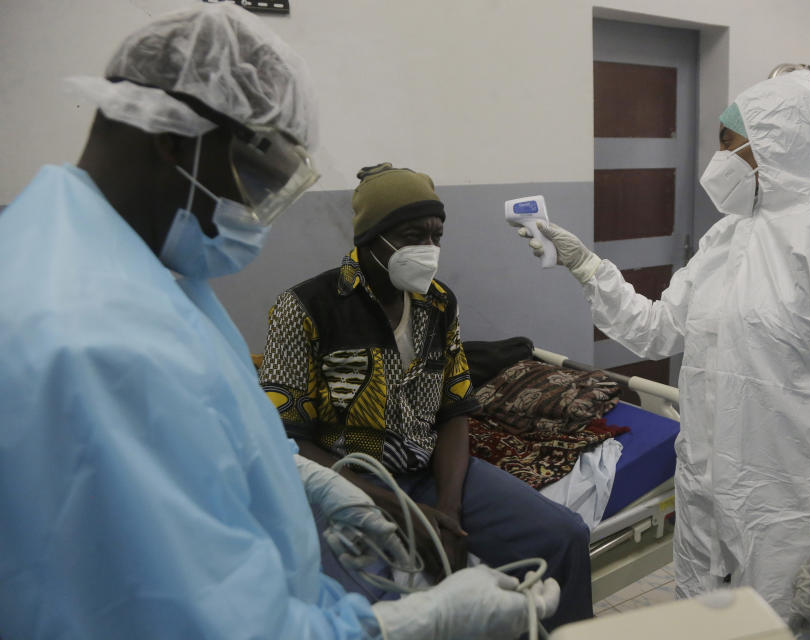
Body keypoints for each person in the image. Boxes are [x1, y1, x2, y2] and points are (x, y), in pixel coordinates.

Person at [0, 6, 557, 640]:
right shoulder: (96, 341)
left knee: (553, 534)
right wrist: (427, 620)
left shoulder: (148, 274)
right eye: (261, 176)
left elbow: (228, 437)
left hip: (373, 503)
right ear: (173, 140)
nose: (259, 211)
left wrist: (325, 491)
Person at [517, 71, 810, 639]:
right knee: (706, 625)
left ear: (776, 141)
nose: (717, 157)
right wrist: (586, 266)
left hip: (793, 515)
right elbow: (657, 329)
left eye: (725, 141)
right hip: (706, 495)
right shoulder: (728, 239)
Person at [258, 162, 594, 629]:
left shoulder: (437, 303)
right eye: (413, 235)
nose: (428, 249)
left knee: (563, 535)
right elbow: (288, 440)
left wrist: (450, 513)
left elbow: (454, 410)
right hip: (345, 485)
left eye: (437, 235)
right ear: (372, 237)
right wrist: (400, 509)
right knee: (363, 599)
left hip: (429, 472)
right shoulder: (305, 309)